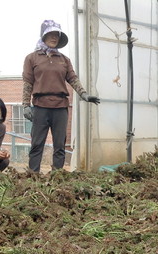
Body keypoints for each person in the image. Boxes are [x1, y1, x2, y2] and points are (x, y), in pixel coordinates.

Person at [22, 19, 100, 172]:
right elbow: (27, 83)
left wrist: (84, 94)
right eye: (50, 34)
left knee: (59, 144)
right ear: (43, 36)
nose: (54, 37)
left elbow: (72, 78)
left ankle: (57, 176)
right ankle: (33, 176)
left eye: (56, 35)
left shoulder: (64, 60)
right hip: (40, 106)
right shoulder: (32, 58)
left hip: (60, 106)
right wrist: (25, 105)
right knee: (37, 143)